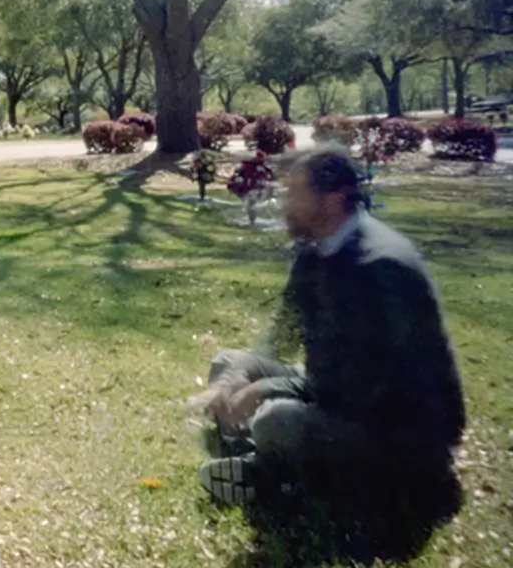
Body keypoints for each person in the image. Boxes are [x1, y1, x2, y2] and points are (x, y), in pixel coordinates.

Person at [193, 146, 465, 536]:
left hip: (401, 432)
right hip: (337, 391)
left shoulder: (380, 266)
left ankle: (275, 474)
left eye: (296, 195)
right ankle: (269, 466)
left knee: (274, 419)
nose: (286, 205)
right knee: (227, 363)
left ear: (333, 200)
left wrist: (264, 389)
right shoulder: (315, 252)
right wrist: (233, 381)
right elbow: (280, 337)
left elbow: (358, 387)